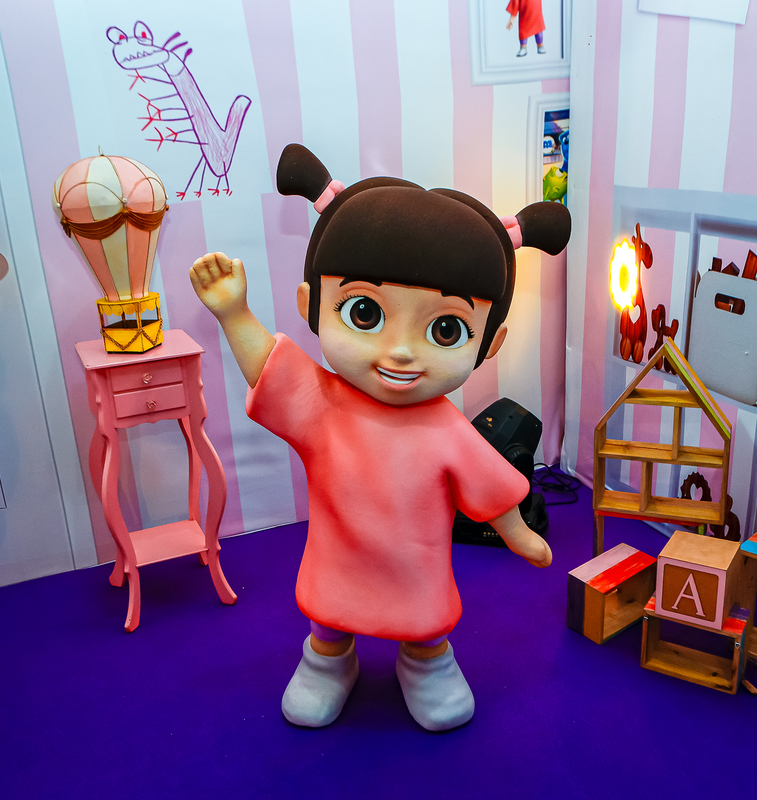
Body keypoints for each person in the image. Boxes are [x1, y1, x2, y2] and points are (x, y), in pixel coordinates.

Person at [189, 144, 570, 731]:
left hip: (416, 563)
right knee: (329, 610)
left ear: (489, 343)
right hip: (338, 553)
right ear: (312, 307)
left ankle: (426, 660)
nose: (400, 351)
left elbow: (491, 487)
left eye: (446, 329)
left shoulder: (445, 427)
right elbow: (269, 370)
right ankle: (327, 660)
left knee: (424, 617)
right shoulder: (322, 404)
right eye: (364, 314)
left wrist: (519, 535)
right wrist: (235, 314)